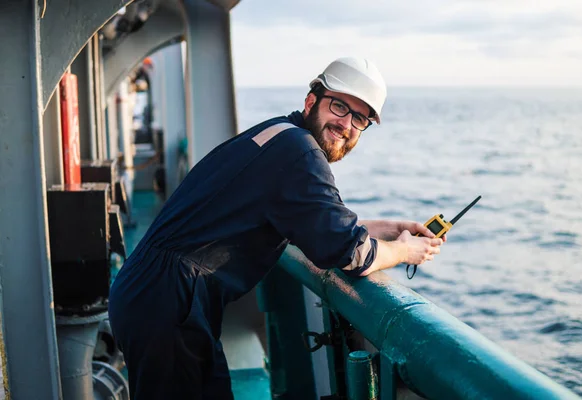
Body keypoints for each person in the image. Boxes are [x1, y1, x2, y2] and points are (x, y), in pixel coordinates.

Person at [108, 56, 445, 399]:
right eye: (339, 106)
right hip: (168, 301)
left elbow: (306, 219)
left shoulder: (280, 135)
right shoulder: (301, 153)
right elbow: (352, 255)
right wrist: (406, 250)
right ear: (311, 100)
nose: (346, 123)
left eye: (359, 118)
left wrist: (388, 227)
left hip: (153, 291)